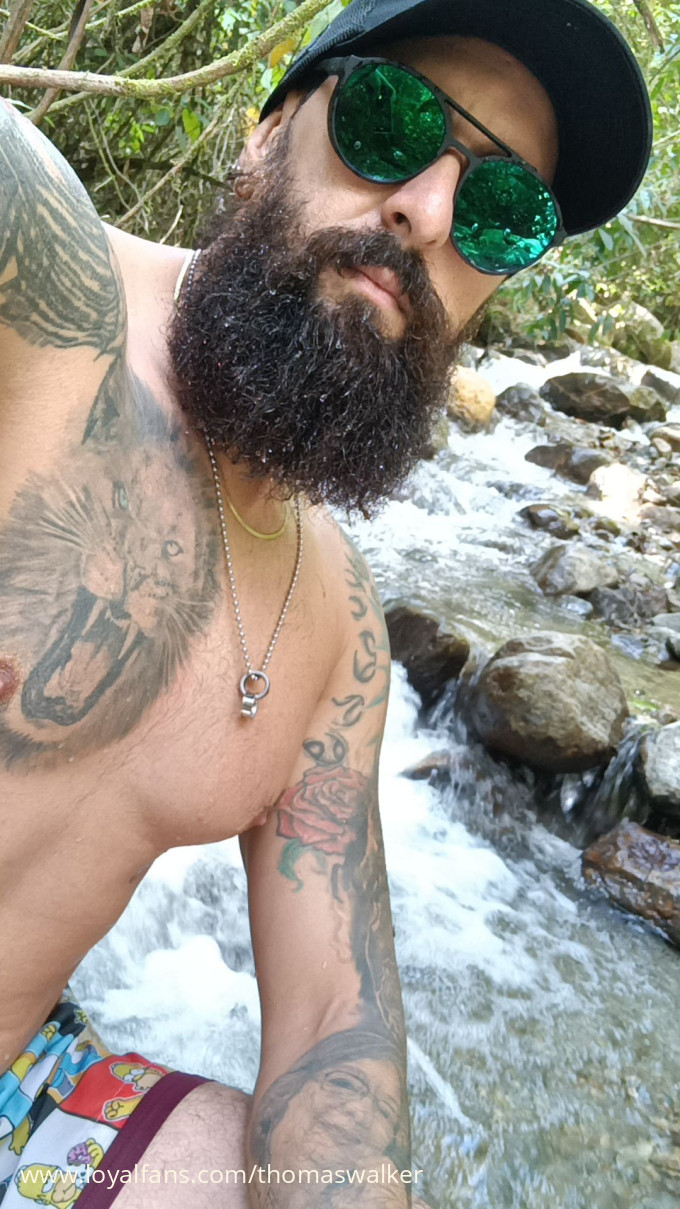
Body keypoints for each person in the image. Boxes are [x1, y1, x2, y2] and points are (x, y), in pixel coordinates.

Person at [0, 0, 652, 1203]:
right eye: (388, 121)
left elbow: (331, 1032)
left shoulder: (338, 630)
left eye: (502, 211)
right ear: (266, 135)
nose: (428, 212)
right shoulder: (41, 296)